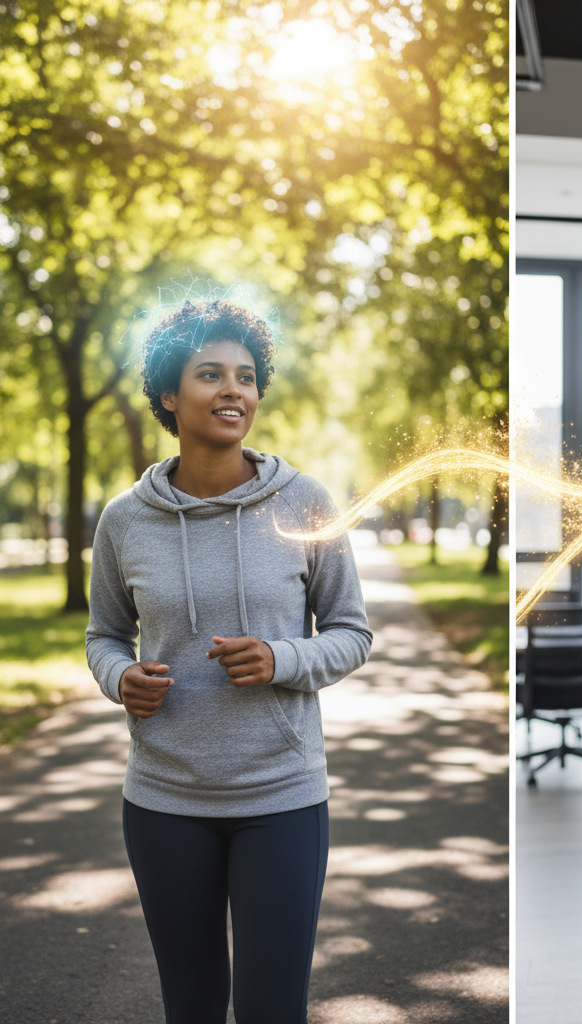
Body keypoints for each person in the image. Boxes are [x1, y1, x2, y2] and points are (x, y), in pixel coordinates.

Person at [85, 299, 373, 1024]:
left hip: (281, 795)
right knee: (192, 1006)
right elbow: (103, 635)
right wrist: (120, 678)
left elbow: (351, 632)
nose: (232, 391)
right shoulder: (125, 519)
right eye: (209, 374)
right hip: (163, 798)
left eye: (245, 377)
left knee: (274, 1010)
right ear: (167, 396)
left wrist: (281, 657)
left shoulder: (305, 501)